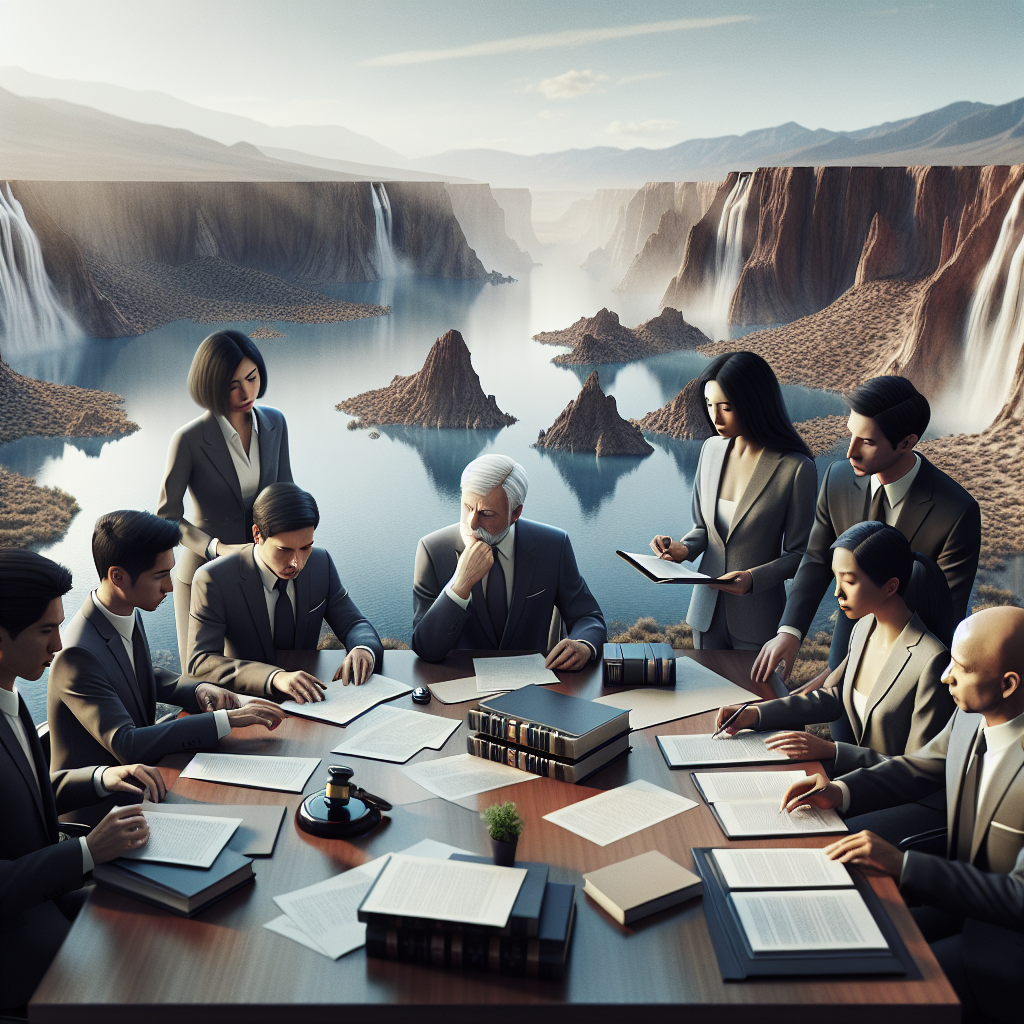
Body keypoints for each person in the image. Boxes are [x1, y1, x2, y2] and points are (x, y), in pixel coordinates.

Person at [780, 607, 1024, 1024]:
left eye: (960, 669)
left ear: (1007, 684)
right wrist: (840, 790)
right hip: (951, 903)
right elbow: (917, 767)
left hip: (1003, 951)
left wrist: (903, 864)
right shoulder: (970, 719)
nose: (946, 675)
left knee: (862, 997)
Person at [0, 549, 164, 1013]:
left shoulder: (9, 694)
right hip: (16, 936)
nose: (58, 647)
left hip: (49, 897)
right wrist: (89, 851)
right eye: (46, 631)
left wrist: (104, 777)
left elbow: (23, 795)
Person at [753, 375, 980, 686]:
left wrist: (837, 677)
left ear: (907, 443)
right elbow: (817, 559)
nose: (851, 452)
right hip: (843, 645)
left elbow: (942, 619)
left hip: (906, 676)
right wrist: (789, 632)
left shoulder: (956, 512)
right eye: (851, 435)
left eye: (868, 442)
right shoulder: (837, 479)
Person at [47, 511, 285, 774]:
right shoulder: (76, 654)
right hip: (102, 809)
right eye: (159, 576)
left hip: (146, 781)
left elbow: (139, 676)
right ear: (117, 577)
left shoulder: (123, 612)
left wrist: (199, 690)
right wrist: (223, 722)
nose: (169, 587)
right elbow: (126, 744)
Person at [716, 522, 953, 783]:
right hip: (853, 783)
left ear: (890, 586)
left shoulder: (931, 660)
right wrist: (756, 714)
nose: (837, 591)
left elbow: (918, 770)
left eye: (849, 581)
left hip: (891, 799)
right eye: (836, 578)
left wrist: (832, 751)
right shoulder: (864, 628)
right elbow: (836, 696)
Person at [649, 351, 816, 650]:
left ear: (755, 402)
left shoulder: (795, 467)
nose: (715, 417)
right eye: (710, 405)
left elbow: (799, 554)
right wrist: (682, 548)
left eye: (726, 407)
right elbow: (704, 529)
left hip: (758, 618)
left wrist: (753, 579)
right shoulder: (710, 450)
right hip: (705, 613)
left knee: (753, 697)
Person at [158, 330, 293, 668]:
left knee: (261, 674)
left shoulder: (275, 423)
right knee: (203, 679)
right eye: (233, 385)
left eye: (252, 377)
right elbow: (167, 518)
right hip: (205, 573)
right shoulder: (188, 440)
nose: (247, 392)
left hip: (262, 571)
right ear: (211, 386)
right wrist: (215, 548)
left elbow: (286, 492)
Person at [188, 483, 383, 698]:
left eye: (306, 547)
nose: (296, 562)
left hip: (312, 697)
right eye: (284, 550)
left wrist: (363, 649)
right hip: (248, 702)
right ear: (257, 534)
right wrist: (274, 677)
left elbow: (355, 623)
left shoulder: (321, 563)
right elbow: (201, 662)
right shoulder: (214, 580)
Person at [412, 454, 606, 666]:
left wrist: (584, 645)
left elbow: (588, 616)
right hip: (459, 686)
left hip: (533, 688)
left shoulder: (553, 546)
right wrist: (460, 585)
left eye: (486, 513)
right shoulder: (432, 551)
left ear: (515, 513)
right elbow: (425, 648)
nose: (472, 522)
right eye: (467, 507)